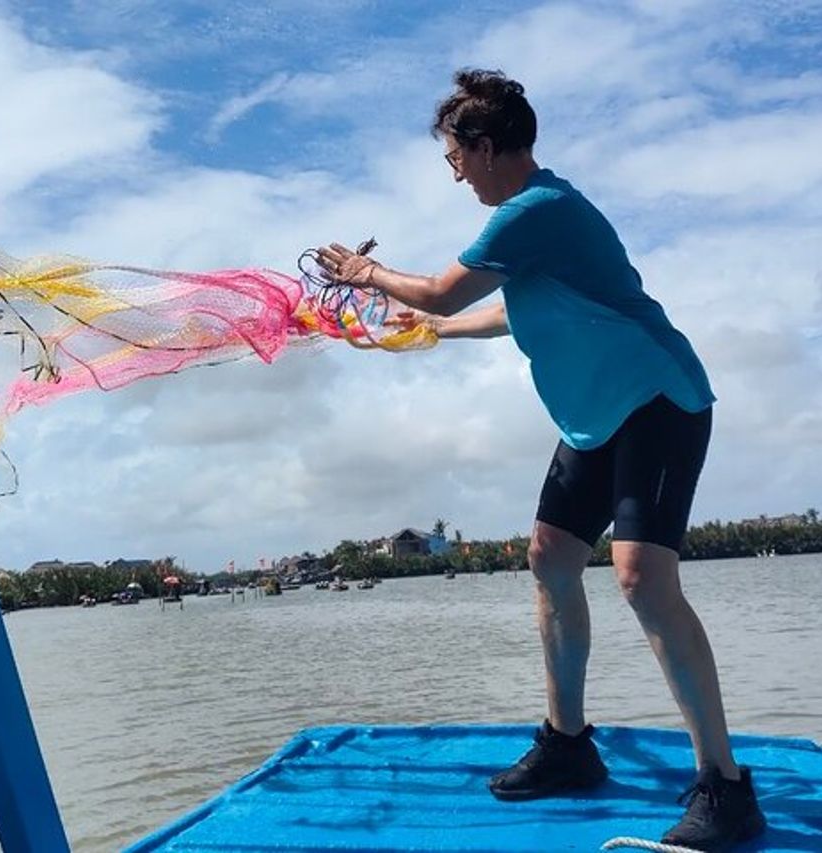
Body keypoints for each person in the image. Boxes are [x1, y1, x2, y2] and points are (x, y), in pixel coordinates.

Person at [317, 69, 765, 851]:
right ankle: (568, 745)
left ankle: (725, 787)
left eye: (455, 157)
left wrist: (367, 277)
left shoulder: (537, 209)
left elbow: (443, 290)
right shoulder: (534, 226)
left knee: (641, 578)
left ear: (487, 148)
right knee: (552, 556)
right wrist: (422, 332)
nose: (454, 172)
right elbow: (493, 309)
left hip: (659, 398)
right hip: (596, 419)